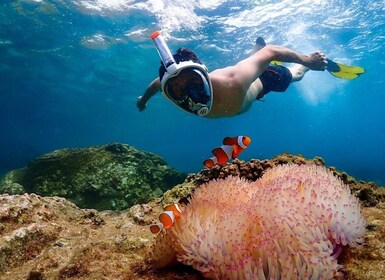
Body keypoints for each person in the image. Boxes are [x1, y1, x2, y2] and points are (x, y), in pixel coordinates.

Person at [137, 36, 361, 118]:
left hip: (264, 81)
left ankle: (307, 67)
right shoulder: (168, 86)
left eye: (193, 82)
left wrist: (306, 60)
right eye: (177, 89)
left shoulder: (234, 80)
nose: (191, 95)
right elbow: (157, 83)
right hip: (247, 83)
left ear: (204, 72)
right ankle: (255, 55)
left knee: (294, 75)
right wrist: (143, 99)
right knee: (254, 61)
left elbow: (271, 51)